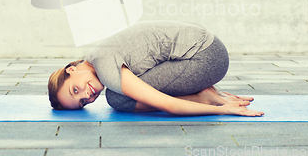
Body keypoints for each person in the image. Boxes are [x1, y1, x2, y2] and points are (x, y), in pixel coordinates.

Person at [48, 20, 264, 117]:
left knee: (117, 99)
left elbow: (168, 105)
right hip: (209, 47)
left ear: (71, 70)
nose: (87, 96)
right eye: (83, 103)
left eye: (75, 90)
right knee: (120, 92)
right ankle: (207, 91)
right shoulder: (97, 54)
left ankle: (203, 96)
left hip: (207, 59)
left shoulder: (105, 66)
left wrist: (222, 109)